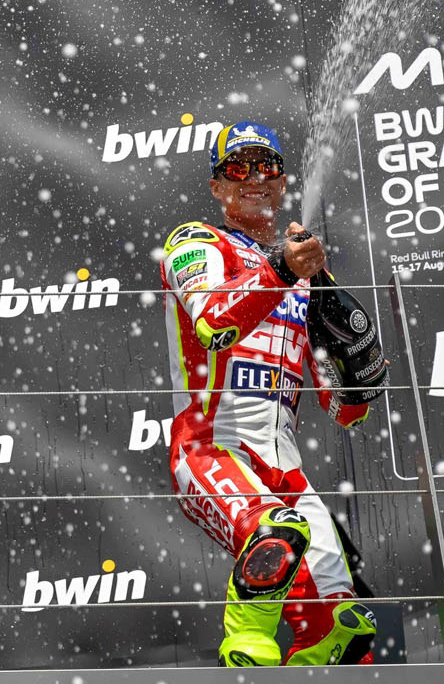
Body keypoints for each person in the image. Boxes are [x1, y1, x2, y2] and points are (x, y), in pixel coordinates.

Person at [159, 121, 381, 666]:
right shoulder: (196, 242)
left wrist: (359, 373)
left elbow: (342, 411)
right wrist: (281, 267)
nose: (255, 177)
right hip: (211, 449)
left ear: (283, 182)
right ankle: (246, 655)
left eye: (267, 167)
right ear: (217, 186)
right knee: (273, 535)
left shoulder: (304, 275)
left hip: (286, 466)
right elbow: (212, 321)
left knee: (346, 630)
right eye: (238, 168)